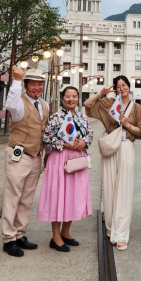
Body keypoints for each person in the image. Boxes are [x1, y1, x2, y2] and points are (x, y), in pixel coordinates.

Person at [84, 75, 141, 251]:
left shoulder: (137, 108)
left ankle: (122, 233)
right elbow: (87, 105)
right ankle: (111, 227)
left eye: (124, 85)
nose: (121, 88)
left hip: (126, 146)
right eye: (118, 86)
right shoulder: (108, 103)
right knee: (110, 188)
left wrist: (126, 124)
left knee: (124, 189)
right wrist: (100, 94)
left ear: (129, 86)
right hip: (111, 146)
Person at [37, 86, 94, 252]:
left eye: (74, 96)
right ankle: (55, 237)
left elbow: (90, 134)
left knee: (73, 196)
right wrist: (65, 144)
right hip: (60, 159)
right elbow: (46, 137)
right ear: (62, 99)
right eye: (67, 96)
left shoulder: (82, 117)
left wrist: (84, 143)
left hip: (77, 159)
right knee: (58, 196)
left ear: (78, 98)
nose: (71, 99)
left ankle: (66, 232)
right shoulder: (56, 117)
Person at [1, 67, 49, 257]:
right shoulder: (18, 102)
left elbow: (44, 131)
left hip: (36, 156)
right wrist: (17, 81)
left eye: (40, 84)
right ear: (26, 86)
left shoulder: (44, 105)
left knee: (27, 199)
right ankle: (8, 238)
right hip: (18, 155)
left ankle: (20, 234)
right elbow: (10, 105)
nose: (37, 87)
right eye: (33, 84)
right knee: (13, 196)